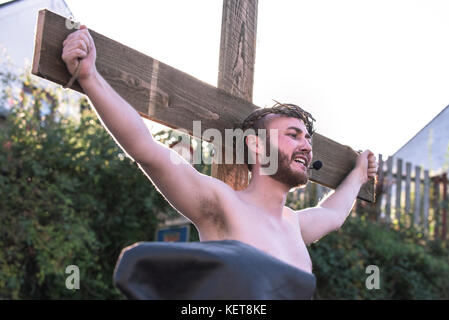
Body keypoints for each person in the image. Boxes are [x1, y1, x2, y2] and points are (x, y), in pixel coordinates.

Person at [61, 26, 378, 295]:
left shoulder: (295, 225)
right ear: (256, 145)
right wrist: (90, 77)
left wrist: (360, 173)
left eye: (307, 139)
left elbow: (333, 213)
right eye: (293, 135)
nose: (306, 146)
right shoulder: (222, 204)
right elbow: (146, 148)